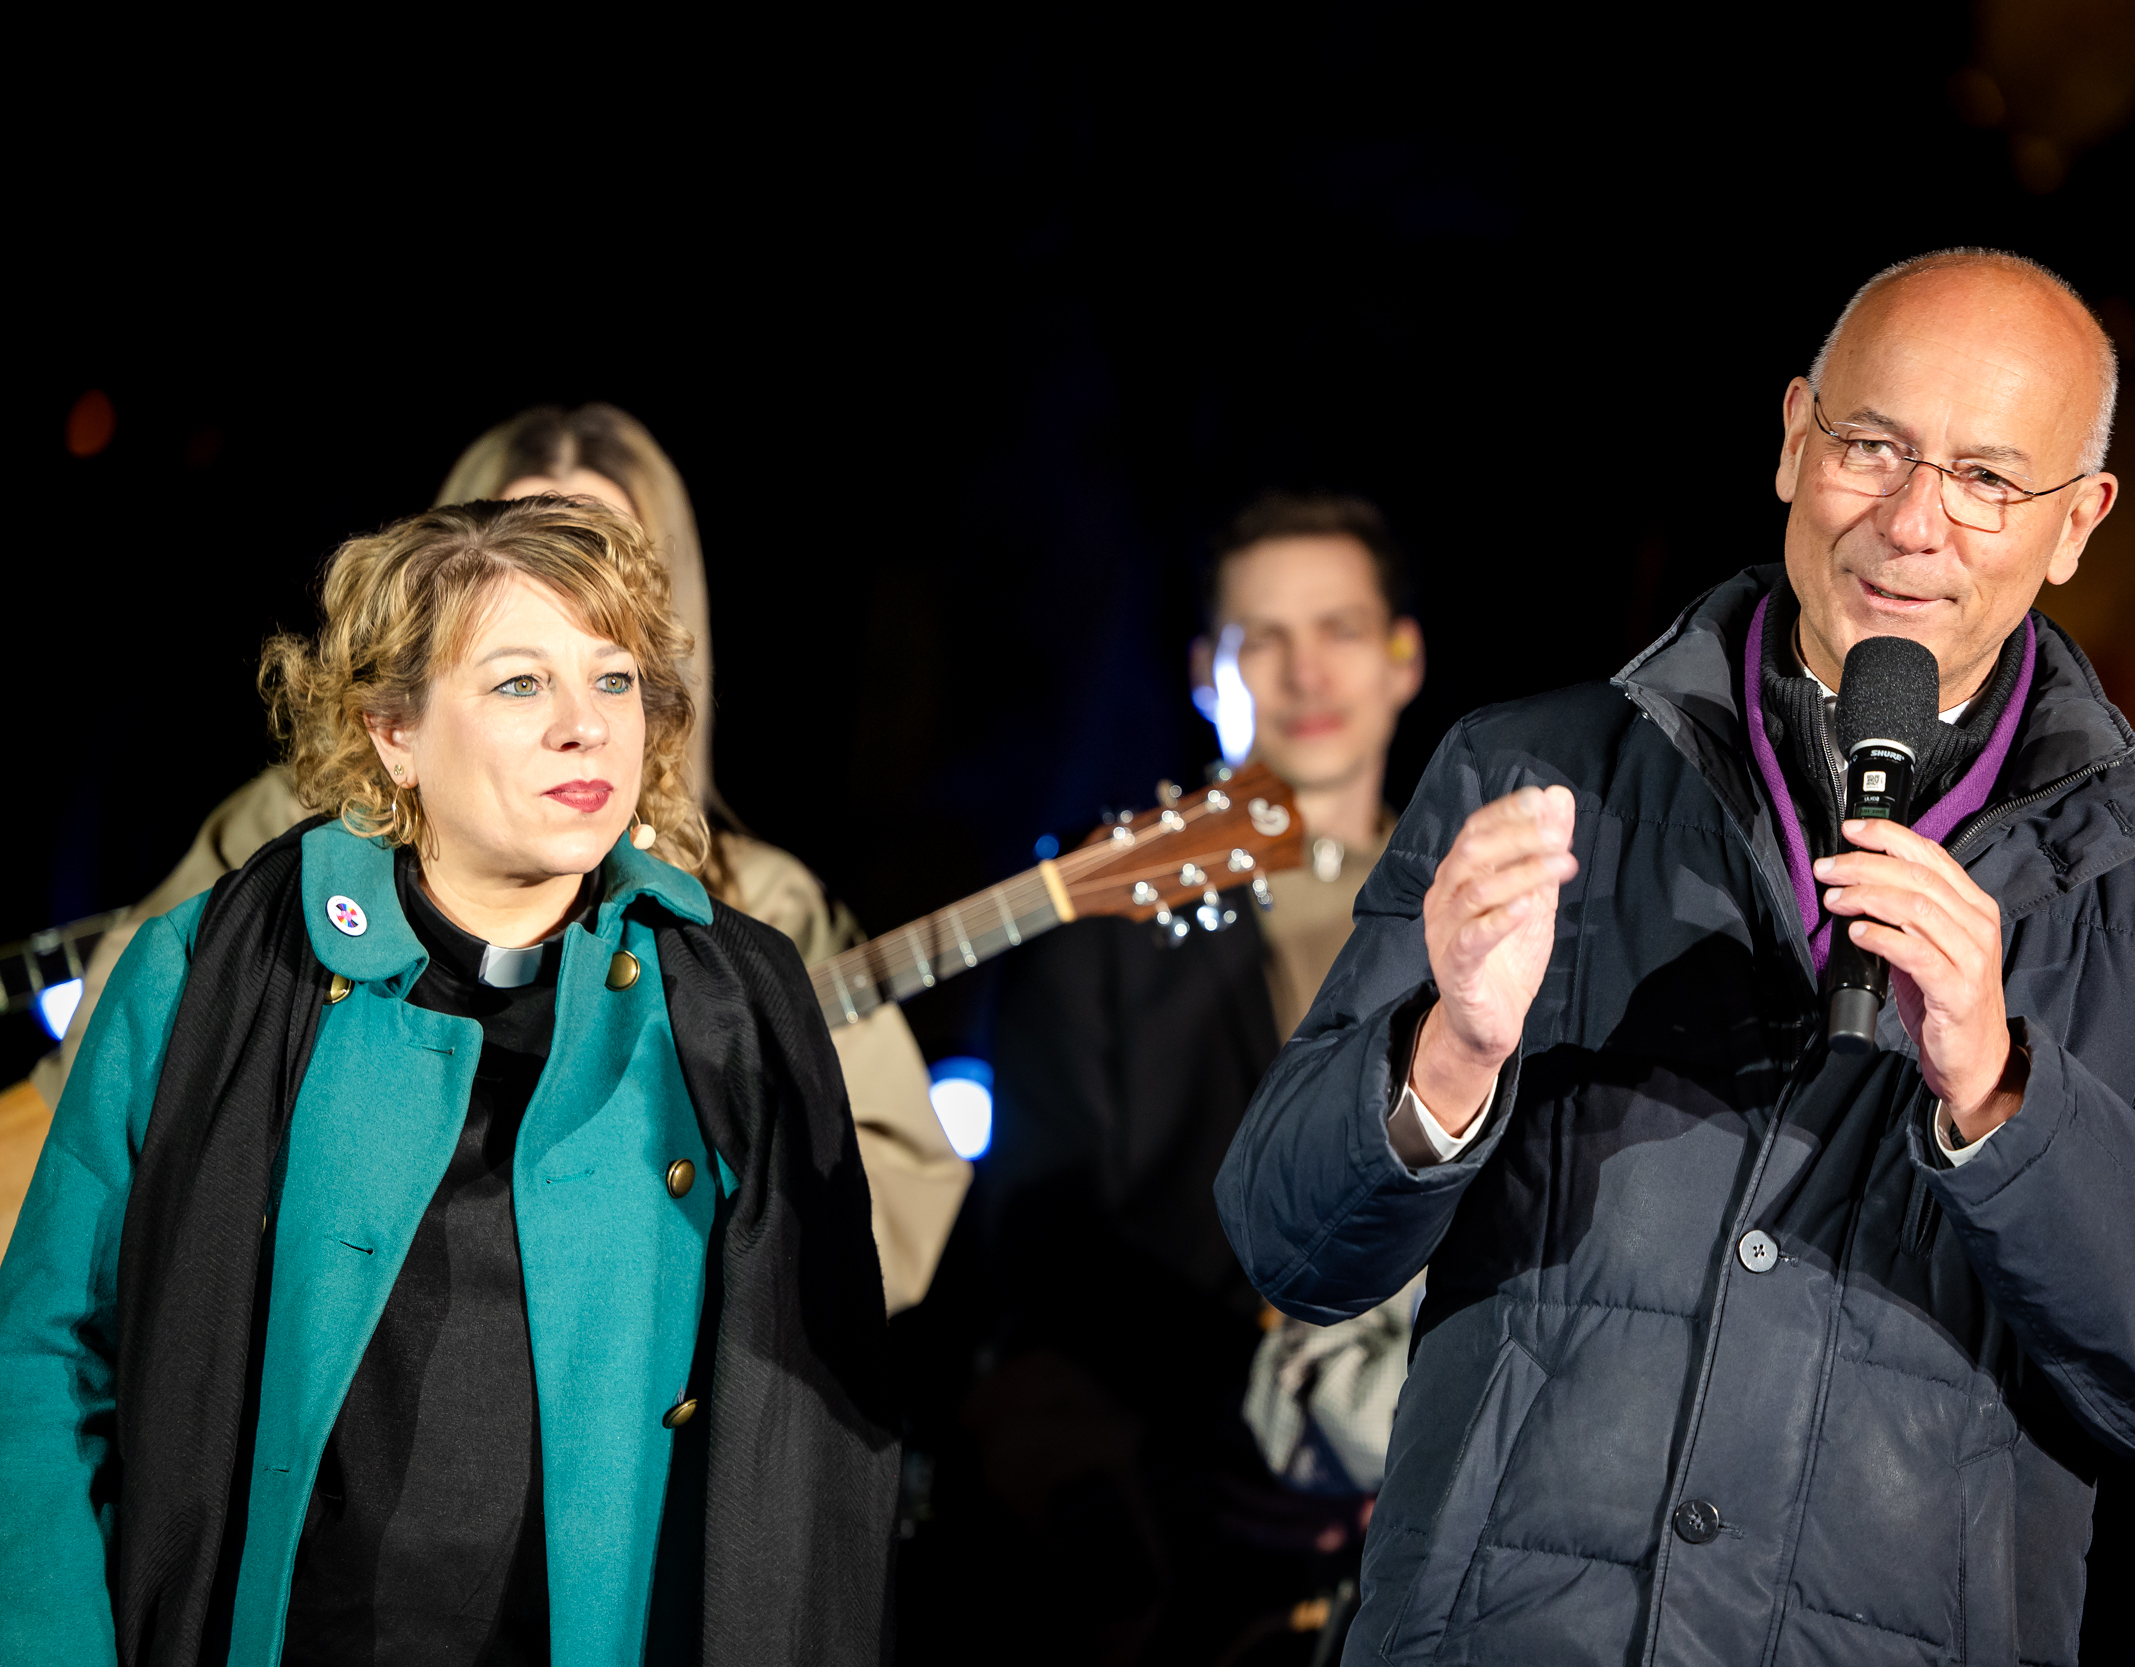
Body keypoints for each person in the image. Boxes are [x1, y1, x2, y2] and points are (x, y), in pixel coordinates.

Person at [1218, 249, 2135, 1665]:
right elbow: (1288, 1239)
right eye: (1873, 447)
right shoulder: (1527, 774)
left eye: (1988, 479)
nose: (1914, 522)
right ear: (1796, 438)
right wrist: (1447, 1056)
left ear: (2076, 523)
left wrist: (2004, 1096)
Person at [0, 497, 895, 1665]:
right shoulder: (208, 970)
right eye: (522, 683)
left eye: (614, 679)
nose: (586, 727)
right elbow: (45, 1359)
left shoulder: (740, 999)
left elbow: (818, 1453)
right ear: (395, 731)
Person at [10, 405, 968, 1312]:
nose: (556, 588)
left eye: (599, 562)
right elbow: (103, 1112)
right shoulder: (284, 851)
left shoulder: (757, 912)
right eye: (520, 546)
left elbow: (879, 1202)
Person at [961, 492, 1423, 1663]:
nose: (1304, 671)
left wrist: (1403, 1447)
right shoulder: (1100, 909)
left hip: (1421, 1521)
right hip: (1167, 1523)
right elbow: (1045, 1231)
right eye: (1261, 636)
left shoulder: (1466, 920)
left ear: (1403, 657)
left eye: (1339, 628)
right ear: (1203, 669)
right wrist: (1262, 1424)